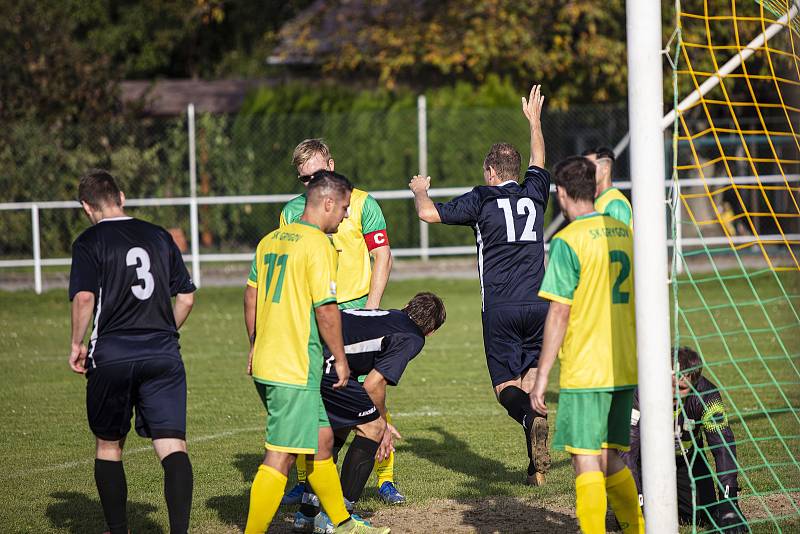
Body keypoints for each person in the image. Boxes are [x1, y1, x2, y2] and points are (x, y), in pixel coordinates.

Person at [408, 85, 551, 485]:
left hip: (502, 309)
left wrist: (420, 188)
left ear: (490, 172)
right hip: (541, 305)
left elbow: (429, 214)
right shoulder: (534, 192)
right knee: (530, 382)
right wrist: (535, 122)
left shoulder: (482, 198)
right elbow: (540, 159)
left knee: (506, 387)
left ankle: (529, 417)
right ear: (517, 172)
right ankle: (535, 469)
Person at [243, 170, 389, 534]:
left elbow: (250, 296)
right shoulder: (318, 245)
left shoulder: (270, 241)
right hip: (292, 365)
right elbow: (326, 310)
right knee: (280, 455)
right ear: (326, 203)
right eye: (341, 208)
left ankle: (341, 523)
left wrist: (254, 344)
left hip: (272, 357)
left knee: (322, 442)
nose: (343, 216)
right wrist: (340, 359)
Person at [68, 170, 196, 534]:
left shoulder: (89, 241)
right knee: (173, 447)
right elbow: (186, 297)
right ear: (121, 197)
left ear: (86, 207)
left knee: (109, 446)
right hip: (163, 355)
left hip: (112, 354)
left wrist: (77, 343)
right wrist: (166, 332)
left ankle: (118, 529)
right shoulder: (159, 235)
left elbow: (84, 298)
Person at [280, 139, 405, 507]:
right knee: (313, 402)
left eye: (318, 173)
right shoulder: (291, 213)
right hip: (316, 317)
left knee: (373, 392)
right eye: (305, 179)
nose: (312, 183)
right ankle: (306, 483)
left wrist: (371, 310)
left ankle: (385, 478)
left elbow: (382, 256)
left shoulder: (363, 203)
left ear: (332, 165)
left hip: (357, 313)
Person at [530, 156, 643, 533]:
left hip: (586, 368)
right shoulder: (625, 232)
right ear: (594, 188)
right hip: (625, 365)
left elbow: (559, 313)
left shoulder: (568, 241)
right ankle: (636, 527)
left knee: (586, 460)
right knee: (613, 457)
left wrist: (542, 376)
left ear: (561, 194)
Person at [295, 293, 447, 532]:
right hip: (326, 363)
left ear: (407, 305)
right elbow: (374, 384)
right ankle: (341, 517)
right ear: (431, 332)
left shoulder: (392, 316)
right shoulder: (412, 336)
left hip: (303, 351)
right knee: (373, 429)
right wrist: (382, 422)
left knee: (337, 427)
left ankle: (308, 513)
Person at [620, 347, 747, 532]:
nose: (672, 393)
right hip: (644, 465)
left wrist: (730, 502)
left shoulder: (708, 397)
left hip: (686, 462)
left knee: (707, 515)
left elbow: (723, 447)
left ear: (695, 385)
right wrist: (635, 501)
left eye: (681, 388)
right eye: (668, 384)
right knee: (638, 519)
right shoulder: (638, 393)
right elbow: (626, 453)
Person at [581, 147, 632, 229]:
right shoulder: (594, 201)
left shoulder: (615, 203)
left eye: (590, 166)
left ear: (606, 168)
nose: (584, 171)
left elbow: (619, 239)